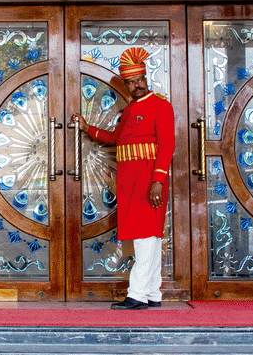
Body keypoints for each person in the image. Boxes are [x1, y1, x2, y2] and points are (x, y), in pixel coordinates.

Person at [72, 47, 176, 310]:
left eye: (139, 79)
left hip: (148, 181)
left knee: (146, 236)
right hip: (129, 182)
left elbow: (167, 146)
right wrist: (87, 128)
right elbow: (116, 138)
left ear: (145, 78)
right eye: (130, 82)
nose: (136, 85)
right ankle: (153, 292)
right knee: (147, 236)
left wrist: (158, 181)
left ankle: (137, 294)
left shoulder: (161, 106)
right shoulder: (129, 111)